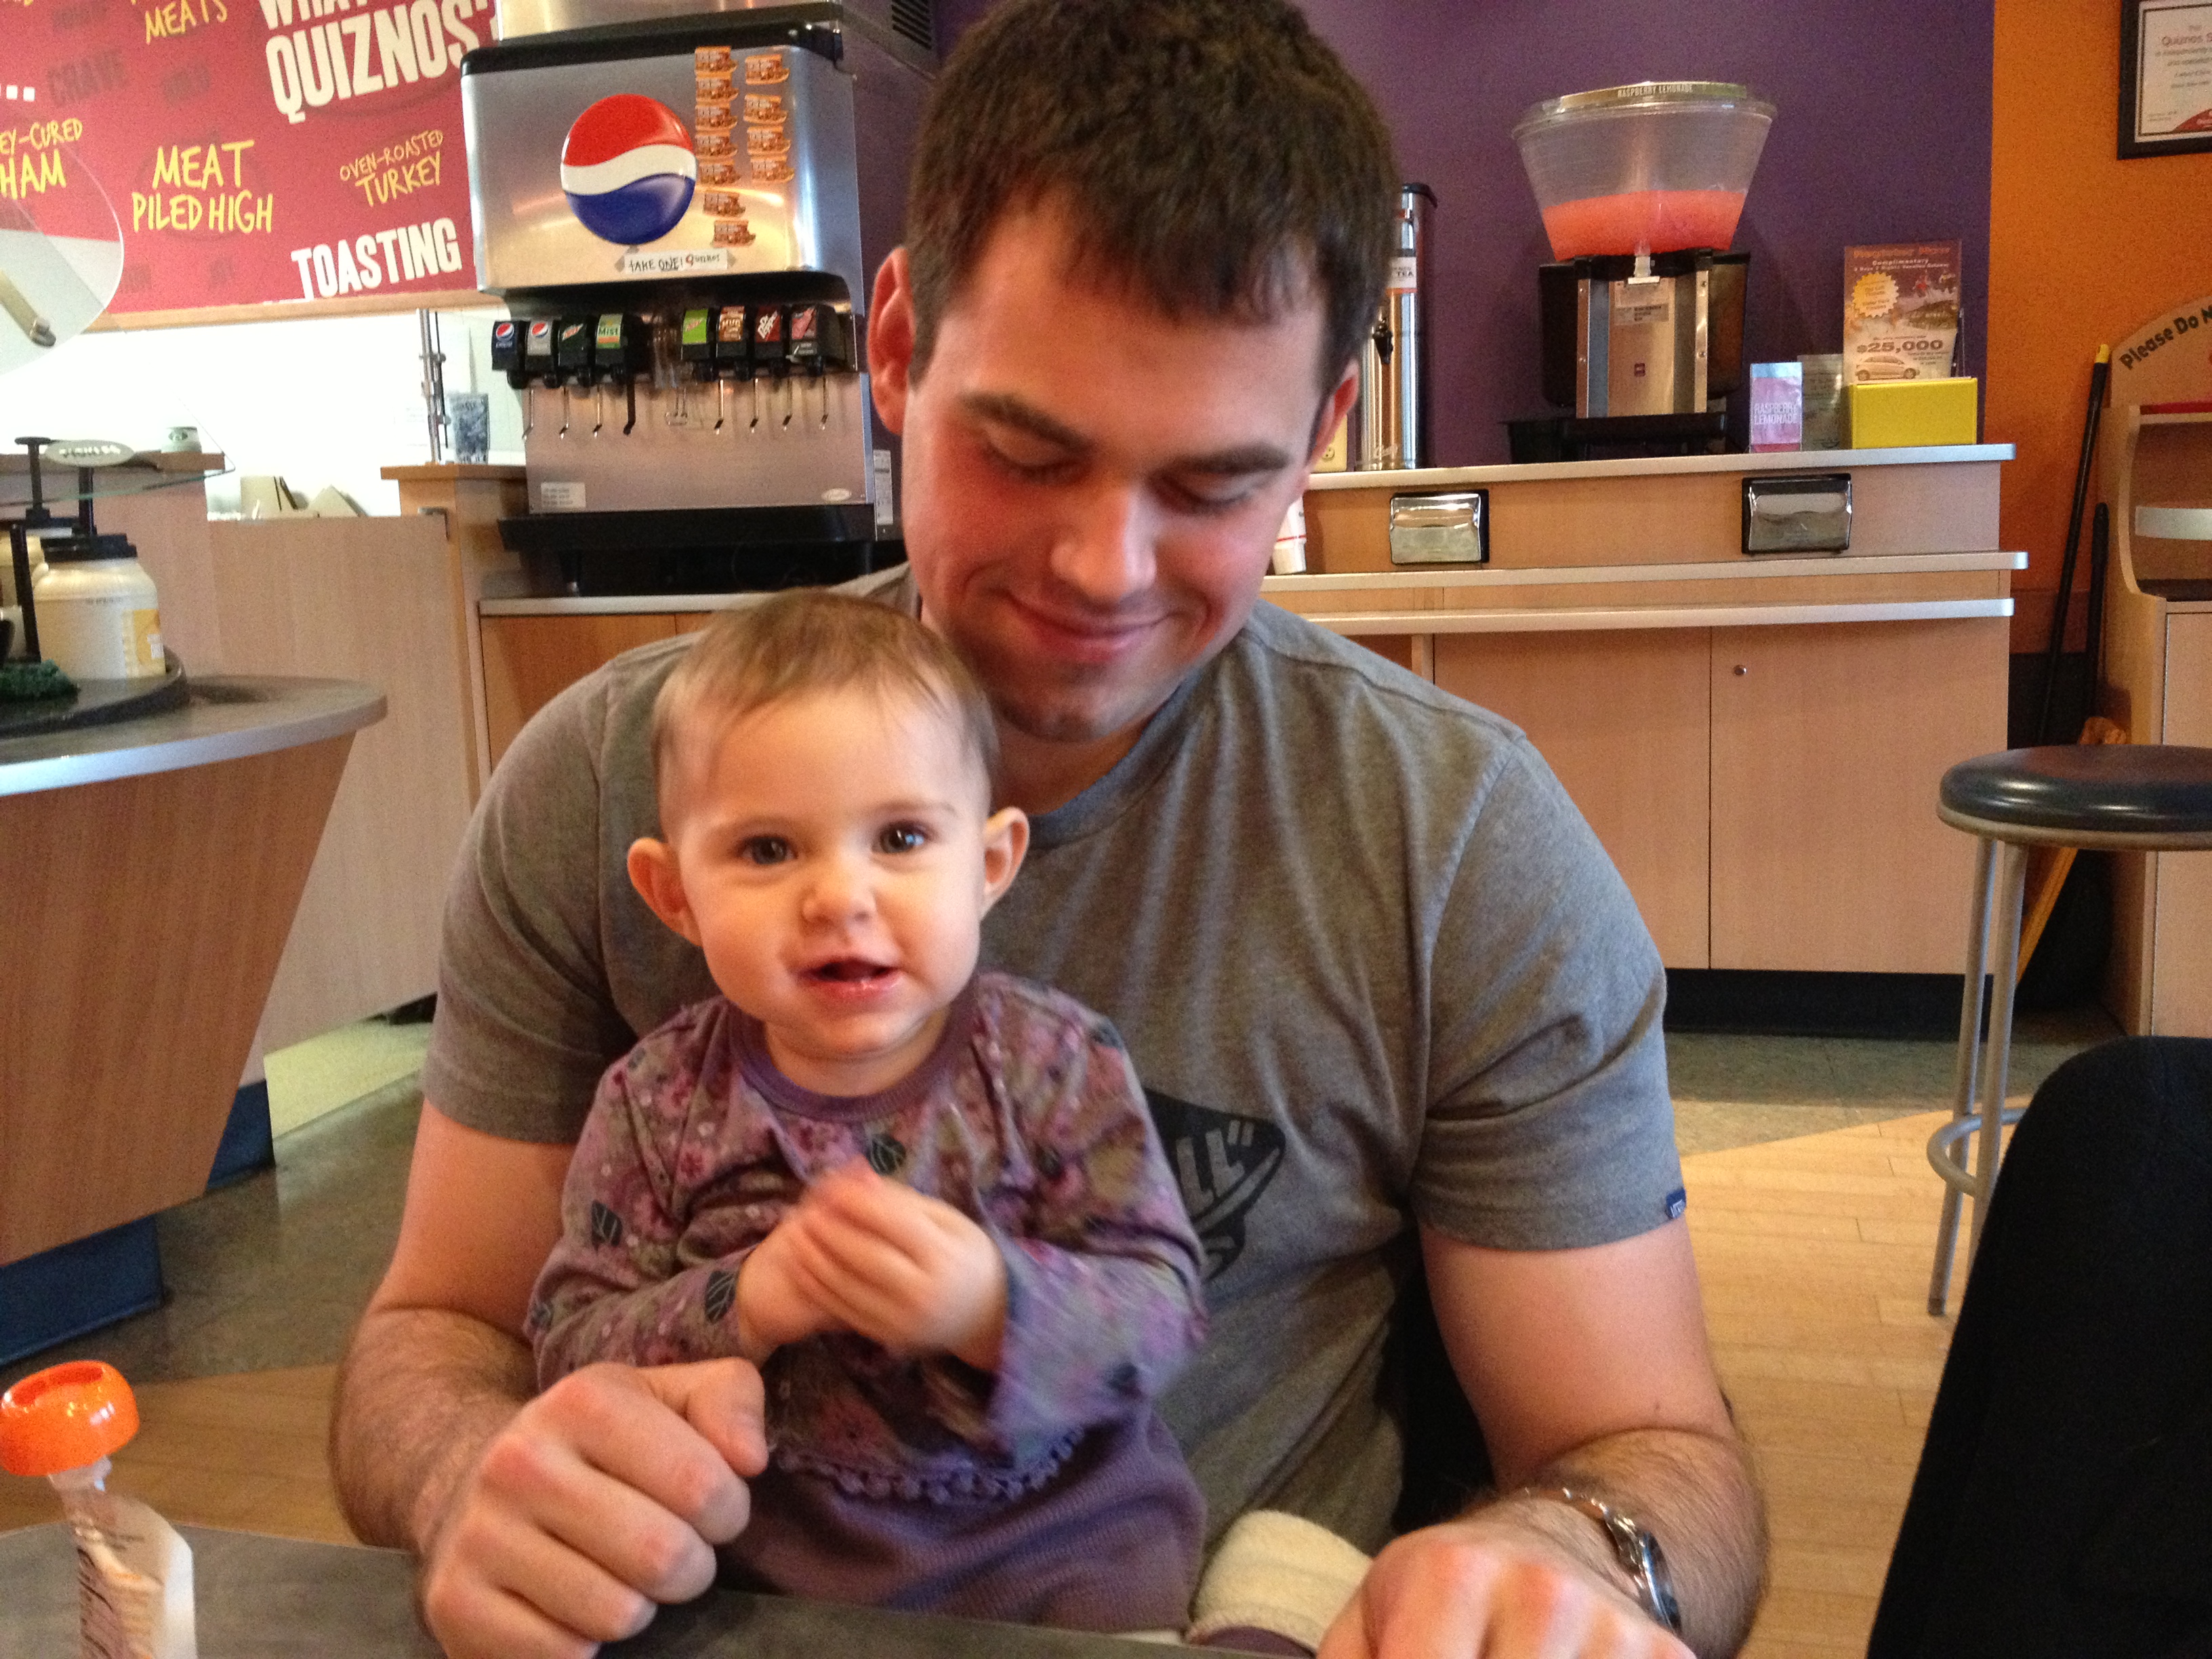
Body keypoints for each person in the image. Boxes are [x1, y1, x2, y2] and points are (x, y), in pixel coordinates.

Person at [331, 3, 1767, 1656]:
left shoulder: (1457, 843)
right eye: (1025, 452)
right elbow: (439, 1332)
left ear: (1317, 442)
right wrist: (465, 1473)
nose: (1105, 570)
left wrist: (1577, 1559)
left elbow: (1653, 1451)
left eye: (1212, 488)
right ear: (895, 349)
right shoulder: (607, 782)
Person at [527, 590, 1210, 1633]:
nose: (841, 897)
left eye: (900, 836)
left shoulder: (1055, 1066)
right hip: (757, 1582)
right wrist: (746, 1302)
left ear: (989, 866)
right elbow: (569, 1349)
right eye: (768, 850)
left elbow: (1164, 1317)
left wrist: (990, 1304)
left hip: (1061, 1558)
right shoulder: (656, 1102)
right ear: (675, 897)